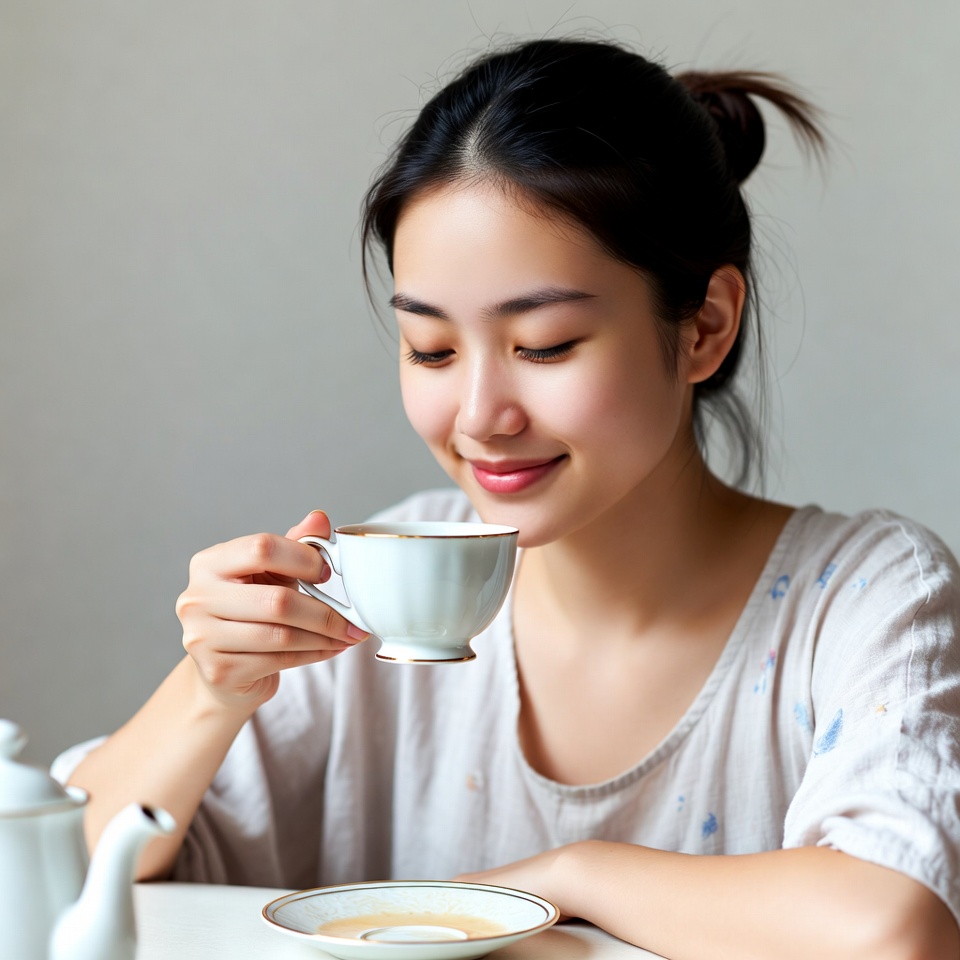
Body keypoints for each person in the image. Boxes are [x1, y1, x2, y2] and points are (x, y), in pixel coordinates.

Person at [59, 37, 960, 958]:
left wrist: (569, 876)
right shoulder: (375, 585)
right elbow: (63, 873)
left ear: (705, 327)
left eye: (545, 345)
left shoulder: (862, 599)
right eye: (433, 351)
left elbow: (892, 930)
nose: (482, 416)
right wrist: (212, 687)